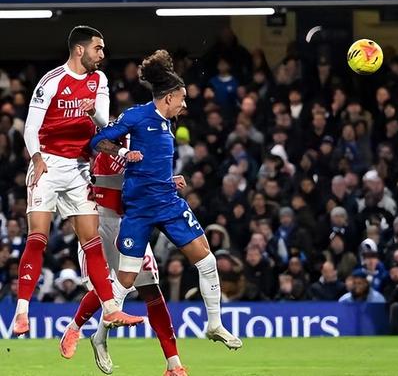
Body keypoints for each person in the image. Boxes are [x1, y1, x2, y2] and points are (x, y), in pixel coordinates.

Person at [89, 50, 242, 354]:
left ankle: (214, 324)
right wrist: (123, 153)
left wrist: (170, 180)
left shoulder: (167, 124)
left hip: (169, 203)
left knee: (207, 261)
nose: (185, 105)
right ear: (169, 97)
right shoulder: (136, 116)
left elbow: (153, 165)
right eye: (182, 99)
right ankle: (99, 336)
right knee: (126, 281)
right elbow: (98, 141)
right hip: (139, 209)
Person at [13, 26, 142, 336]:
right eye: (98, 48)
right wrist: (37, 159)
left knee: (91, 240)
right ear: (80, 50)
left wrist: (93, 111)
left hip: (79, 168)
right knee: (38, 237)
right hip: (48, 163)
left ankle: (110, 309)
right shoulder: (51, 81)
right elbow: (30, 128)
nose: (102, 54)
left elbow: (104, 123)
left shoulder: (100, 80)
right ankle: (22, 311)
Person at [59, 133, 188, 375]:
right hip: (100, 220)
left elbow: (143, 181)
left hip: (130, 223)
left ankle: (174, 365)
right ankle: (75, 328)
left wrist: (166, 180)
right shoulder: (115, 140)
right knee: (105, 289)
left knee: (151, 289)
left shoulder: (150, 142)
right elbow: (113, 182)